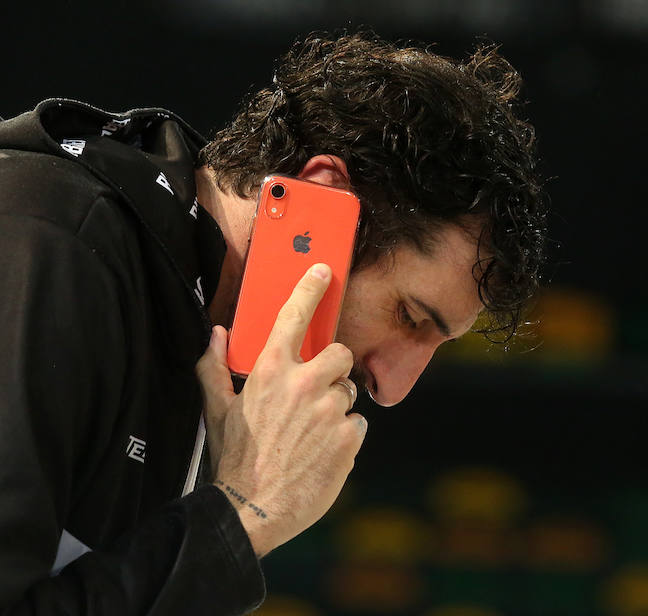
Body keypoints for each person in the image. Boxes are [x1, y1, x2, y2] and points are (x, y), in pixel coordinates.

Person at [0, 31, 547, 614]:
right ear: (323, 199)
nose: (393, 388)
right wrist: (240, 513)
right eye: (408, 316)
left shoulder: (197, 326)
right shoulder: (45, 241)